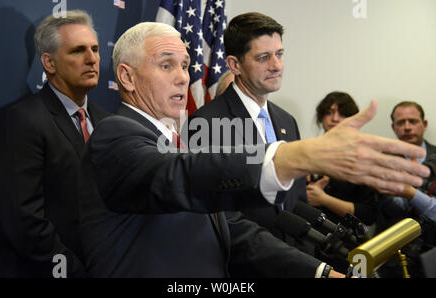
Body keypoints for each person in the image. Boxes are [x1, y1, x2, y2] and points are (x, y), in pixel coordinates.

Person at [78, 21, 428, 278]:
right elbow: (179, 177)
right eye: (166, 65)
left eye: (185, 65)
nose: (183, 78)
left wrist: (323, 273)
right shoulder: (114, 135)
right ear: (126, 77)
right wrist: (296, 156)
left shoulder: (175, 139)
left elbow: (236, 232)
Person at [0, 10, 109, 277]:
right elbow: (25, 222)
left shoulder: (108, 123)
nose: (92, 59)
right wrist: (74, 273)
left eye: (95, 49)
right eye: (78, 51)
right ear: (49, 63)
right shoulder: (18, 121)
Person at [187, 12, 309, 249]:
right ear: (234, 65)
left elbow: (298, 202)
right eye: (263, 57)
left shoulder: (287, 121)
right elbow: (225, 219)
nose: (276, 65)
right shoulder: (207, 124)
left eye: (279, 54)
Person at [306, 92, 379, 227]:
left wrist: (324, 200)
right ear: (321, 117)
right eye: (329, 112)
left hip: (346, 236)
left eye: (343, 114)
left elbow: (368, 214)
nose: (335, 119)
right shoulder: (305, 152)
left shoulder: (363, 158)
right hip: (306, 231)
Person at [380, 101, 436, 224]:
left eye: (413, 121)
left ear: (424, 124)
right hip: (396, 235)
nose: (407, 127)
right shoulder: (382, 161)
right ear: (393, 127)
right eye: (400, 123)